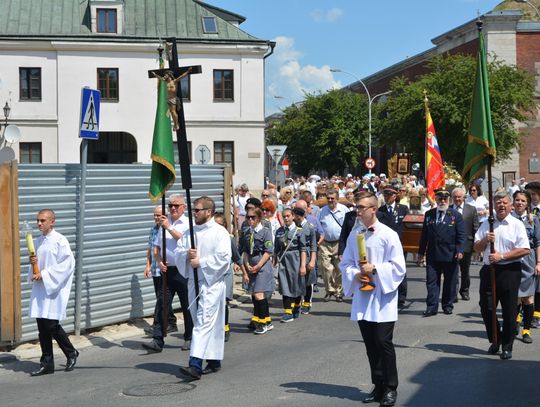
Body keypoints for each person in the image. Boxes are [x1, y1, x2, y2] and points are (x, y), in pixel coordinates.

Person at [339, 191, 406, 407]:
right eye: (356, 207)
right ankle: (377, 384)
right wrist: (356, 274)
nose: (357, 211)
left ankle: (390, 387)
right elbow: (346, 263)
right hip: (363, 294)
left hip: (382, 297)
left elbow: (398, 267)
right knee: (370, 343)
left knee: (383, 341)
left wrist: (375, 268)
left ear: (373, 209)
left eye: (361, 208)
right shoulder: (355, 233)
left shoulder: (388, 234)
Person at [176, 196, 232, 380]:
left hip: (211, 284)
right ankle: (214, 360)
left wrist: (201, 261)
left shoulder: (219, 232)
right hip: (194, 283)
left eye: (197, 210)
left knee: (202, 323)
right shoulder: (189, 232)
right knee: (209, 323)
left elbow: (224, 258)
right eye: (193, 210)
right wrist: (186, 255)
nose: (195, 213)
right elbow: (178, 252)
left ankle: (195, 364)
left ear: (209, 211)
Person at [474, 191, 530, 360]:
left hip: (509, 271)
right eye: (498, 202)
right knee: (486, 307)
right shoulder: (486, 224)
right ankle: (495, 339)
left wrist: (502, 256)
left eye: (505, 202)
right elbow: (476, 247)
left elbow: (525, 249)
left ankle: (507, 345)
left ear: (510, 205)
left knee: (509, 310)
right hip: (489, 270)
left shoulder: (516, 224)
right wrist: (485, 240)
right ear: (493, 205)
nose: (501, 205)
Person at [28, 209, 78, 376]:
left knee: (51, 325)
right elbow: (36, 263)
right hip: (40, 289)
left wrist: (45, 275)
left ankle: (71, 353)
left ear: (52, 221)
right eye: (37, 220)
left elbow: (68, 264)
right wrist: (33, 265)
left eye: (42, 220)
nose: (39, 224)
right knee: (42, 327)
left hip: (53, 288)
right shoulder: (37, 241)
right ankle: (47, 363)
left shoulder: (60, 241)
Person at [142, 194, 193, 352]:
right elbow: (156, 246)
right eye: (171, 205)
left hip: (183, 270)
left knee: (187, 305)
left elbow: (184, 241)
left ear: (183, 207)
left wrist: (169, 227)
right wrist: (158, 261)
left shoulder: (187, 223)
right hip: (167, 271)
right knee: (162, 304)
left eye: (176, 205)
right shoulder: (165, 221)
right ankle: (157, 339)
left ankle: (189, 337)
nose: (173, 208)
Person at [418, 188, 466, 316]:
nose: (442, 201)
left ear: (448, 200)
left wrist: (460, 250)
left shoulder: (455, 215)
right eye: (440, 198)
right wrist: (421, 253)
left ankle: (447, 305)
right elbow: (424, 235)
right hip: (433, 254)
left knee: (450, 281)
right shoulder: (429, 214)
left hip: (450, 254)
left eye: (445, 199)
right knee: (431, 281)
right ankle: (432, 307)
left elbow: (461, 235)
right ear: (436, 199)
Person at [240, 207, 275, 334]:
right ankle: (266, 320)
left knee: (259, 293)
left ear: (259, 218)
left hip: (262, 264)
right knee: (254, 293)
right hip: (252, 264)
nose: (250, 220)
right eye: (248, 217)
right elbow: (245, 250)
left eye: (253, 218)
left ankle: (263, 322)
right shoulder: (247, 232)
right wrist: (246, 264)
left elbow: (268, 251)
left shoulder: (265, 232)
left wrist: (259, 265)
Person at [511, 190, 540, 344]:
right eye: (517, 200)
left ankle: (526, 330)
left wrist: (539, 263)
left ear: (527, 203)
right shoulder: (507, 219)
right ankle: (515, 321)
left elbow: (538, 242)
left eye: (523, 200)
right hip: (513, 259)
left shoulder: (533, 220)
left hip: (528, 260)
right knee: (515, 297)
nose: (520, 203)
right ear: (513, 202)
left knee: (528, 298)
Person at [144, 205, 177, 335]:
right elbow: (150, 249)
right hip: (155, 269)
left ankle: (158, 324)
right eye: (155, 215)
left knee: (161, 297)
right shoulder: (153, 230)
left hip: (165, 269)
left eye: (159, 215)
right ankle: (171, 321)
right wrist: (148, 265)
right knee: (161, 297)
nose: (156, 218)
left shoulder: (168, 229)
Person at [378, 185, 409, 311]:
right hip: (385, 245)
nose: (386, 197)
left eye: (389, 195)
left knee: (400, 270)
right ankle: (387, 293)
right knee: (385, 269)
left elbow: (407, 225)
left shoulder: (403, 209)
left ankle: (401, 297)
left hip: (400, 244)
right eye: (385, 195)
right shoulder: (380, 210)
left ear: (395, 196)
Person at [213, 212, 243, 343]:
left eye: (221, 225)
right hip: (213, 274)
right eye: (215, 225)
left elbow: (236, 257)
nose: (218, 228)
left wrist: (245, 272)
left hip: (226, 273)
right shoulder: (208, 238)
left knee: (224, 301)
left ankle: (225, 327)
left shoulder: (228, 238)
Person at [274, 208, 306, 322]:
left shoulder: (299, 231)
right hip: (283, 259)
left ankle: (297, 305)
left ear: (293, 216)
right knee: (284, 284)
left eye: (288, 216)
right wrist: (274, 261)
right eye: (284, 216)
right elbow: (276, 248)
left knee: (295, 283)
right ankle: (287, 311)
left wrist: (303, 265)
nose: (286, 218)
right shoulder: (279, 231)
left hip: (295, 258)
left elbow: (303, 249)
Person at [317, 189, 349, 302]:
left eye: (332, 198)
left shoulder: (344, 210)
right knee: (326, 268)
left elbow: (348, 226)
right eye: (328, 198)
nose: (330, 200)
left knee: (339, 268)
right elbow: (318, 227)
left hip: (339, 243)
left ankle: (338, 291)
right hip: (325, 243)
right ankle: (329, 290)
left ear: (337, 199)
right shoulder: (322, 211)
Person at [450, 187, 479, 301]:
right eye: (455, 197)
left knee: (465, 270)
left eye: (459, 197)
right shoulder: (448, 209)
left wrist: (476, 245)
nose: (457, 199)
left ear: (463, 197)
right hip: (451, 245)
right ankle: (453, 293)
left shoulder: (471, 209)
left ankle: (464, 291)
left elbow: (475, 227)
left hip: (467, 244)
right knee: (452, 270)